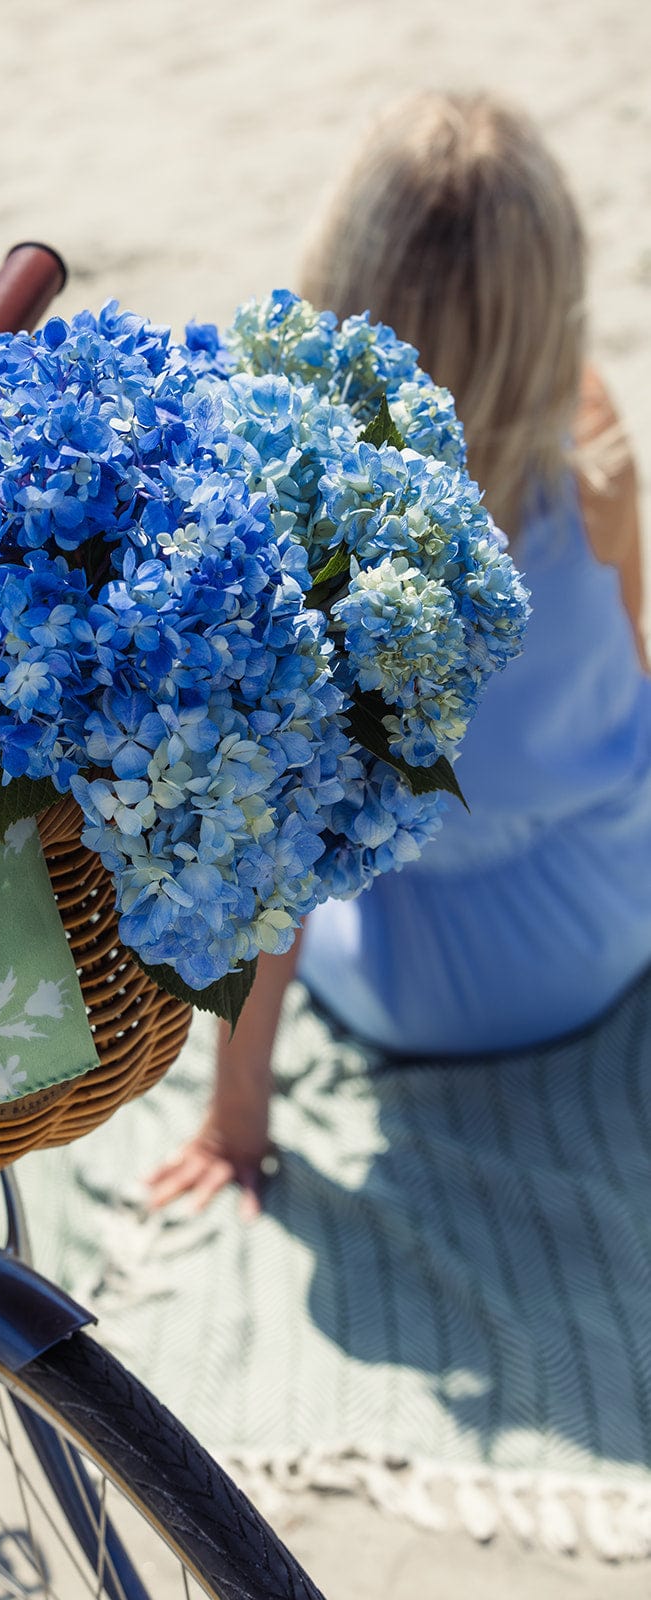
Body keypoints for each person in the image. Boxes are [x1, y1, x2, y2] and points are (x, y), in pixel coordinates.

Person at [148, 89, 651, 1218]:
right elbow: (626, 669)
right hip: (616, 914)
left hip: (425, 992)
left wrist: (235, 1124)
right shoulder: (592, 442)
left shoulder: (306, 538)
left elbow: (270, 885)